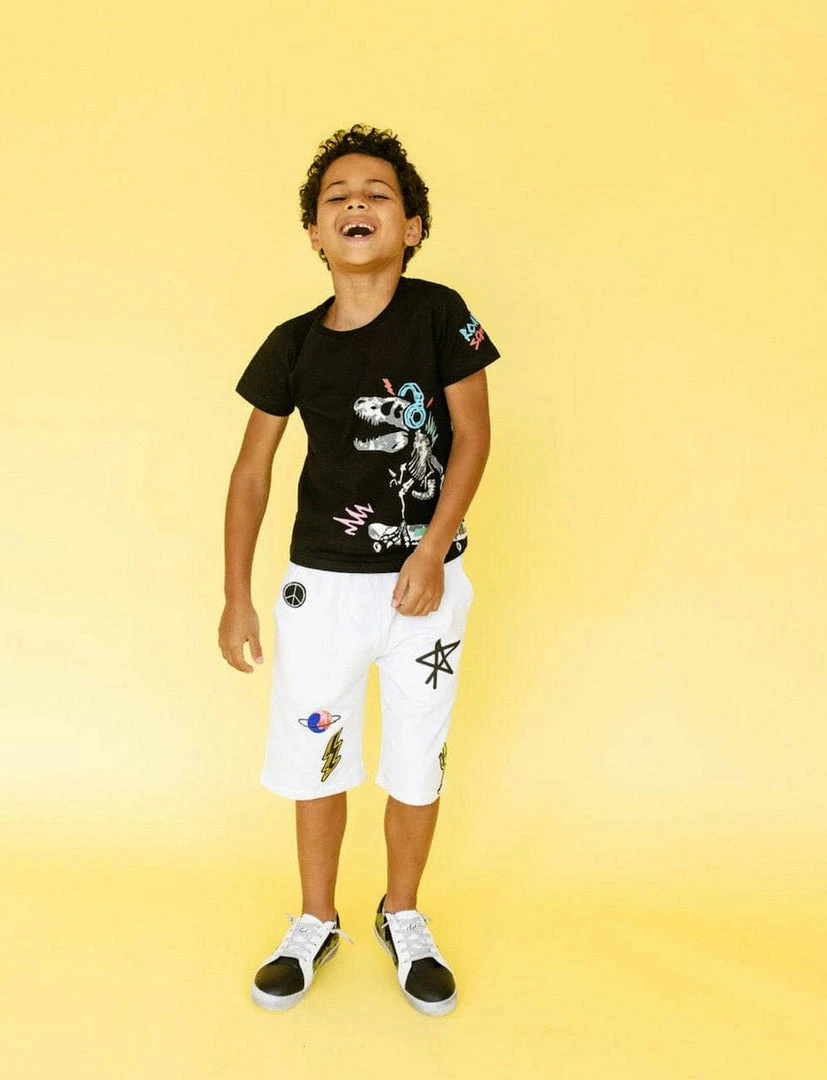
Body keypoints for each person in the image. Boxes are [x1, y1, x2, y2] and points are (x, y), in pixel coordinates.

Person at [219, 123, 500, 1016]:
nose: (356, 204)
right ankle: (315, 919)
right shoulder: (292, 344)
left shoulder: (440, 314)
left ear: (411, 226)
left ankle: (402, 912)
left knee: (417, 755)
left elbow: (472, 438)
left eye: (378, 194)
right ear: (314, 231)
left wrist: (430, 550)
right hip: (322, 593)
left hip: (426, 587)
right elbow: (252, 472)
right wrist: (235, 597)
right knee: (316, 754)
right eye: (337, 196)